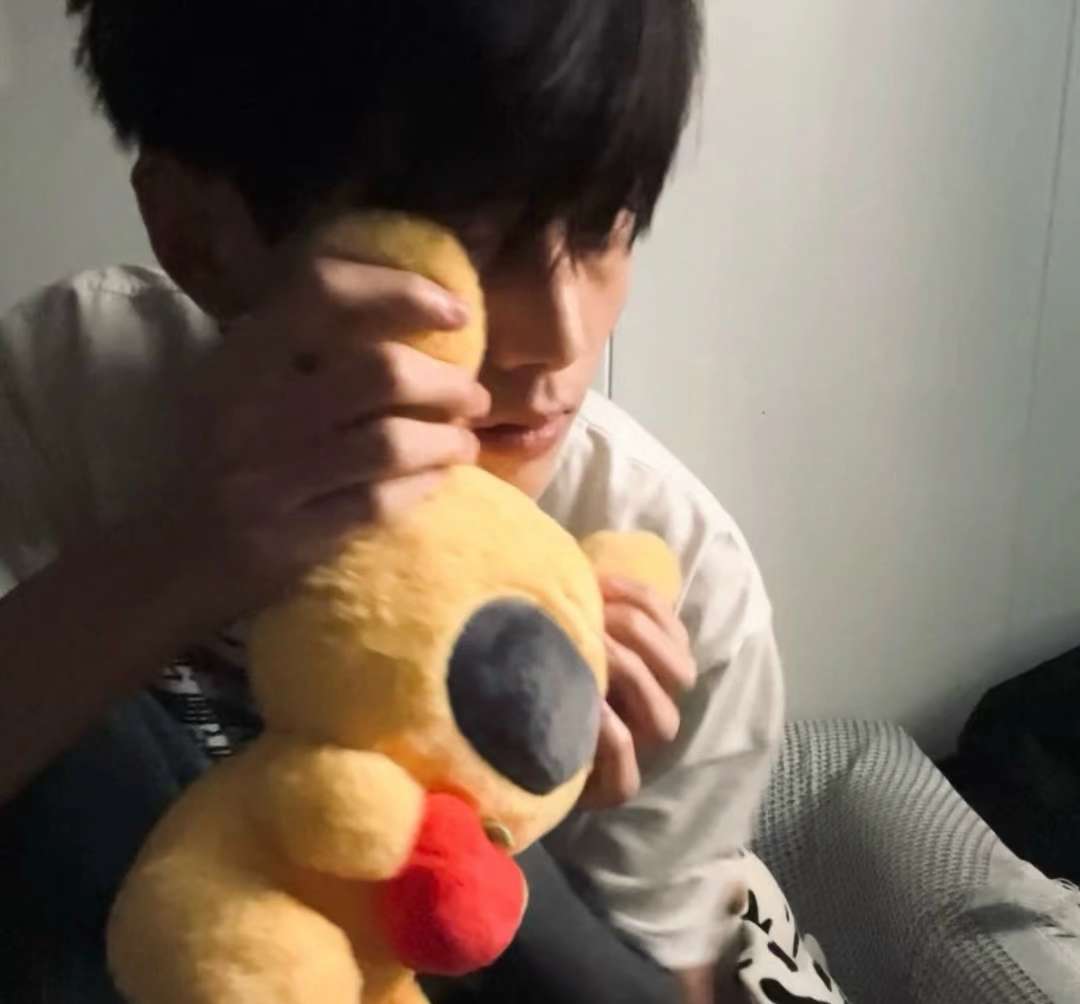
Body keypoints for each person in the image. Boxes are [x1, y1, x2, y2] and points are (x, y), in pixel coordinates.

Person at [0, 2, 784, 1002]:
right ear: (202, 238)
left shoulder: (680, 585)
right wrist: (188, 549)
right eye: (470, 241)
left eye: (605, 225)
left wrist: (514, 787)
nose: (560, 334)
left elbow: (660, 978)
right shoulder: (69, 391)